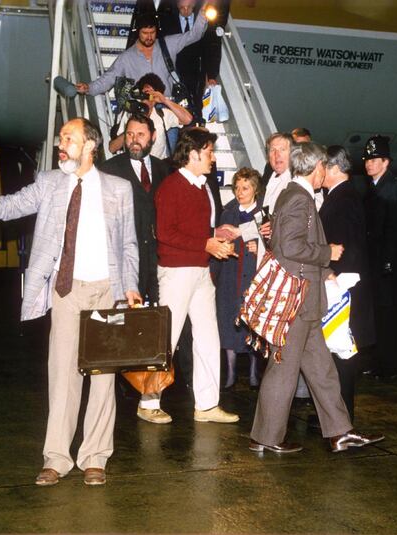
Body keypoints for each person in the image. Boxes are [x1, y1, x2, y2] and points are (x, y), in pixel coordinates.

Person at [0, 118, 140, 487]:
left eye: (69, 138)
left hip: (106, 292)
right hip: (66, 290)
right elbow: (4, 209)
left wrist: (130, 286)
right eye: (60, 137)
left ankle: (95, 457)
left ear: (91, 145)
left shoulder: (118, 189)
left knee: (103, 378)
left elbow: (129, 244)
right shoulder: (49, 183)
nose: (61, 143)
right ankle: (57, 459)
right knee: (62, 374)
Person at [249, 142, 384, 454]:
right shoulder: (299, 198)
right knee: (282, 369)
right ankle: (266, 437)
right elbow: (290, 248)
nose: (326, 171)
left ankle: (340, 432)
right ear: (314, 167)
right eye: (324, 165)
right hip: (298, 301)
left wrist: (325, 273)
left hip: (307, 301)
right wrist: (328, 254)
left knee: (322, 370)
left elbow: (286, 244)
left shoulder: (293, 195)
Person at [149, 127, 239, 424]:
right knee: (167, 338)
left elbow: (191, 230)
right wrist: (205, 242)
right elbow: (165, 233)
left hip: (200, 269)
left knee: (207, 337)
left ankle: (207, 404)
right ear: (193, 153)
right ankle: (148, 402)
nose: (213, 158)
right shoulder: (171, 187)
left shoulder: (202, 186)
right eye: (209, 152)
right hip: (177, 272)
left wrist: (215, 235)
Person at [317, 145, 375, 423]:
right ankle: (335, 416)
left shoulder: (345, 198)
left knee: (342, 355)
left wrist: (334, 275)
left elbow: (347, 245)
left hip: (342, 288)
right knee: (335, 354)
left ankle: (341, 419)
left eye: (323, 167)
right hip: (339, 284)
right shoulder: (339, 196)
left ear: (335, 169)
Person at [99, 113, 170, 305]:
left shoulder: (165, 170)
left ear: (153, 136)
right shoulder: (108, 170)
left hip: (159, 260)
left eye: (140, 135)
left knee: (160, 319)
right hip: (126, 262)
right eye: (129, 135)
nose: (134, 140)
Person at [75, 7, 210, 99]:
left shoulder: (168, 44)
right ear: (137, 32)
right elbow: (108, 79)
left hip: (167, 106)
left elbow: (194, 35)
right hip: (141, 110)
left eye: (152, 33)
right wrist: (88, 88)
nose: (149, 37)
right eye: (145, 33)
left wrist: (203, 14)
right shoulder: (126, 58)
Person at [211, 167, 264, 391]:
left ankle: (254, 373)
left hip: (253, 276)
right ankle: (231, 372)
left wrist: (259, 246)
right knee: (228, 324)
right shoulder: (228, 212)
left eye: (245, 188)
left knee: (252, 326)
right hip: (230, 275)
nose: (240, 192)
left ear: (255, 190)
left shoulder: (263, 214)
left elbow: (272, 242)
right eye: (237, 188)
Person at [362, 135, 397, 379]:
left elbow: (394, 227)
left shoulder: (393, 186)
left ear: (386, 162)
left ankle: (390, 366)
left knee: (388, 316)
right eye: (367, 159)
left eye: (375, 159)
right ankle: (379, 361)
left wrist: (387, 261)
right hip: (374, 262)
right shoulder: (374, 187)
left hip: (386, 264)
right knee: (377, 315)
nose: (369, 164)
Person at [160, 0, 227, 123]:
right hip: (174, 69)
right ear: (177, 7)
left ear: (194, 6)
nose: (186, 11)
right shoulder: (167, 22)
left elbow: (212, 49)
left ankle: (197, 125)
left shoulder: (204, 20)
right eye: (182, 8)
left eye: (189, 7)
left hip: (197, 68)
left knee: (196, 100)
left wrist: (211, 75)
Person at [108, 73, 192, 159]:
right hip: (134, 164)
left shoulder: (162, 114)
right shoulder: (129, 113)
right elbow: (112, 148)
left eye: (151, 94)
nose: (147, 97)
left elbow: (188, 119)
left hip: (158, 166)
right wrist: (130, 130)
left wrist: (164, 100)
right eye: (145, 93)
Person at [260, 132, 294, 210]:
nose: (277, 155)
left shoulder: (297, 181)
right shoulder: (269, 176)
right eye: (272, 150)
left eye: (282, 149)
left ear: (292, 153)